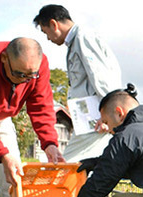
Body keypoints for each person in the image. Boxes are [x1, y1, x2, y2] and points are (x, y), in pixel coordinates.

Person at [0, 38, 64, 197]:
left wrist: (49, 143)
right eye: (19, 74)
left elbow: (41, 105)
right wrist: (1, 154)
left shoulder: (37, 66)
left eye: (30, 76)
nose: (24, 80)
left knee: (13, 176)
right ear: (4, 58)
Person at [33, 5, 122, 162]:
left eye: (46, 32)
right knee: (83, 166)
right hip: (87, 118)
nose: (48, 38)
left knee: (66, 164)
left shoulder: (83, 37)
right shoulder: (76, 41)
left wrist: (109, 114)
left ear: (54, 24)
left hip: (97, 118)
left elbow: (101, 76)